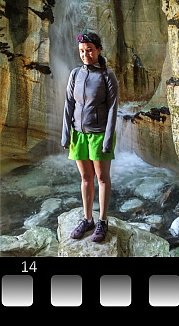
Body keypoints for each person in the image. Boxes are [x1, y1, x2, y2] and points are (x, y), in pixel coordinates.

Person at [63, 32, 119, 243]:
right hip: (79, 134)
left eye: (89, 50)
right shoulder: (75, 74)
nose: (85, 54)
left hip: (99, 134)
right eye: (82, 51)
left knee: (102, 178)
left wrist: (107, 138)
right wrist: (65, 133)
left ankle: (102, 221)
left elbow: (113, 109)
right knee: (86, 178)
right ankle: (88, 220)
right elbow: (69, 103)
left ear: (98, 50)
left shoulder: (107, 76)